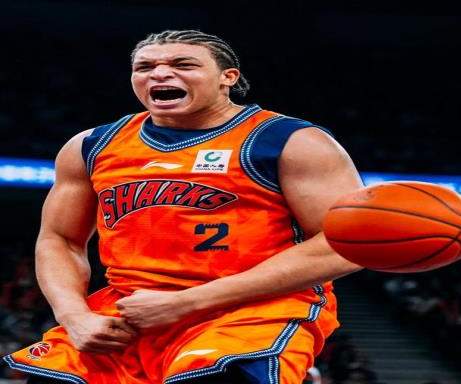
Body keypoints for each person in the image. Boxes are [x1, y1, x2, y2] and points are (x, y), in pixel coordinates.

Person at [3, 29, 363, 384]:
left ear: (227, 77)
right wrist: (75, 317)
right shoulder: (92, 146)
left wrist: (188, 302)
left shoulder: (290, 141)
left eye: (183, 64)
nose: (159, 74)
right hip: (133, 310)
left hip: (253, 311)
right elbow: (60, 240)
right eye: (145, 67)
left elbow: (344, 244)